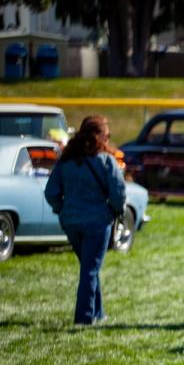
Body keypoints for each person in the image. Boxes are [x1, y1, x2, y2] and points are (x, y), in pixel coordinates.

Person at [44, 115, 126, 326]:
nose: (108, 139)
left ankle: (98, 313)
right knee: (90, 269)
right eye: (107, 136)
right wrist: (115, 211)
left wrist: (63, 210)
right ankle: (84, 318)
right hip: (98, 222)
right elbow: (118, 194)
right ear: (100, 137)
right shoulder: (106, 161)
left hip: (71, 222)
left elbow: (51, 192)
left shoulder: (67, 160)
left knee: (89, 267)